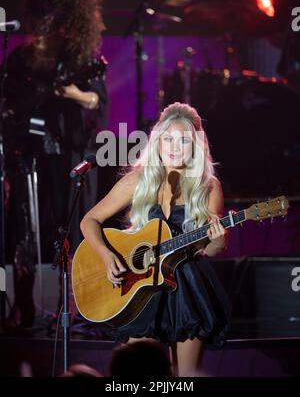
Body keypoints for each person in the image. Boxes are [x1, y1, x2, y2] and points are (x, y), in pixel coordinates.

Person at [80, 102, 230, 377]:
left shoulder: (208, 187)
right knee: (137, 375)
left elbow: (212, 249)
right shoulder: (139, 180)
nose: (174, 147)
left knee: (184, 379)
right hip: (141, 287)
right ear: (158, 142)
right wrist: (106, 254)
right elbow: (89, 220)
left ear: (196, 146)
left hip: (187, 289)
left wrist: (218, 240)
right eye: (168, 139)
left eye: (183, 140)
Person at [3, 0, 108, 328]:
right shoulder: (20, 57)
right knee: (25, 231)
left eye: (52, 17)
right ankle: (22, 304)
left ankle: (74, 306)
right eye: (41, 18)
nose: (46, 25)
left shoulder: (81, 56)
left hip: (68, 154)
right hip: (29, 154)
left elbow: (96, 101)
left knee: (71, 228)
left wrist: (70, 94)